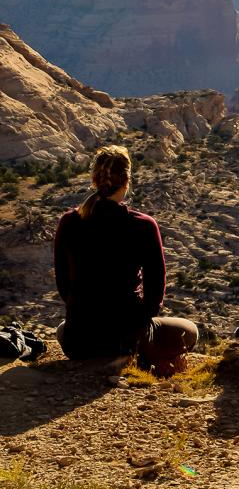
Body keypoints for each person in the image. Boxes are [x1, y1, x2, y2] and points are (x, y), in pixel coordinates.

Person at [54, 145, 198, 374]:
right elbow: (155, 290)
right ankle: (133, 353)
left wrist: (83, 309)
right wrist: (138, 325)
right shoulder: (142, 225)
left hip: (78, 340)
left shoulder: (70, 221)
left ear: (94, 179)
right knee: (190, 331)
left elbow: (63, 283)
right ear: (127, 180)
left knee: (61, 330)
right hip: (125, 336)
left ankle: (101, 355)